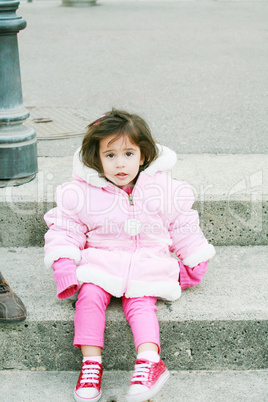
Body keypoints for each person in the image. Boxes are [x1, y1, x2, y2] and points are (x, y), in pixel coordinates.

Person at [44, 109, 216, 402]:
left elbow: (182, 224)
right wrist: (63, 264)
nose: (120, 163)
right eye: (110, 155)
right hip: (102, 261)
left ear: (143, 155)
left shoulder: (162, 189)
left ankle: (150, 362)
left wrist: (194, 258)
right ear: (96, 158)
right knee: (89, 296)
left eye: (128, 154)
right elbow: (65, 229)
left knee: (140, 303)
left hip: (148, 262)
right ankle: (91, 364)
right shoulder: (83, 193)